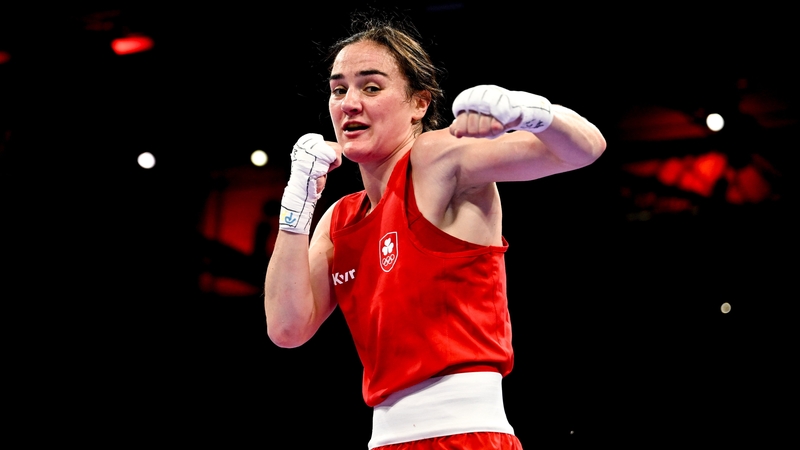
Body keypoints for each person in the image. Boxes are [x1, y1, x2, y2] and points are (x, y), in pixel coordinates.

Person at [264, 18, 606, 449]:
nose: (349, 103)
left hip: (466, 435)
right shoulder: (339, 220)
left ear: (419, 104)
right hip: (384, 440)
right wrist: (297, 203)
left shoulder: (434, 160)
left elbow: (586, 149)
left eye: (371, 88)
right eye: (338, 90)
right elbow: (287, 329)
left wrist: (530, 112)